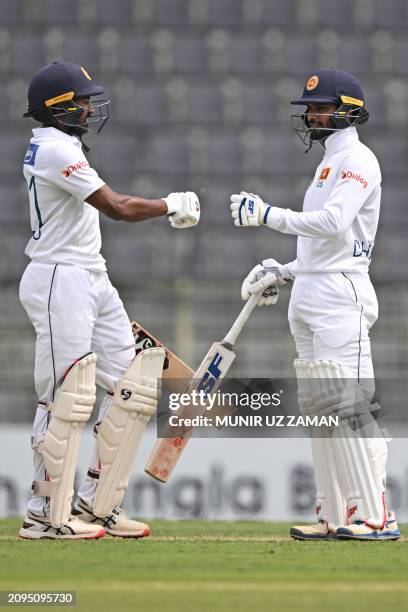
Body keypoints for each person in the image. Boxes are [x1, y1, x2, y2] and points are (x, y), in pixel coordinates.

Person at [19, 61, 200, 540]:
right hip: (60, 279)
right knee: (66, 394)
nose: (88, 108)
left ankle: (97, 505)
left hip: (91, 276)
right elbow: (117, 208)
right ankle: (43, 513)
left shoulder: (66, 145)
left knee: (133, 387)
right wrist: (171, 204)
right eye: (79, 101)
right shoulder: (55, 149)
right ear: (57, 108)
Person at [230, 68, 400, 541]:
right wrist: (282, 270)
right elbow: (321, 246)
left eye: (320, 107)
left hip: (340, 295)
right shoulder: (327, 165)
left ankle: (377, 514)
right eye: (309, 107)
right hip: (311, 290)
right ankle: (333, 514)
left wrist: (267, 215)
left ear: (347, 110)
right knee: (320, 409)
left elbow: (333, 222)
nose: (311, 114)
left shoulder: (359, 161)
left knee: (350, 406)